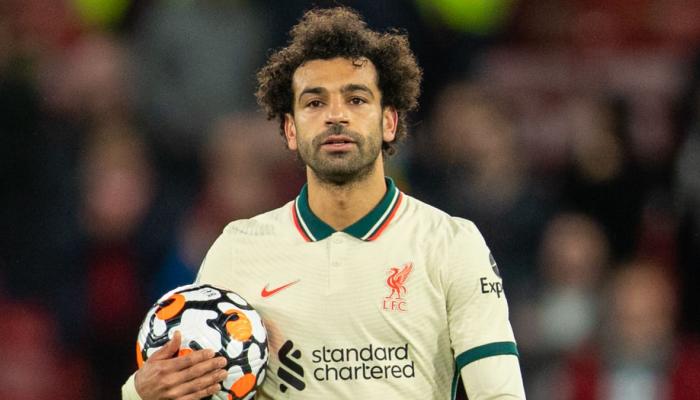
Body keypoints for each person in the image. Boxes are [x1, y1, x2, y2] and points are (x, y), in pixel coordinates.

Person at [122, 7, 525, 400]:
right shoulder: (237, 249)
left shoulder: (451, 244)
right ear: (290, 130)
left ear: (389, 122)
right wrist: (139, 393)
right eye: (315, 102)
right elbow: (185, 384)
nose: (336, 116)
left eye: (356, 100)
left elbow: (499, 392)